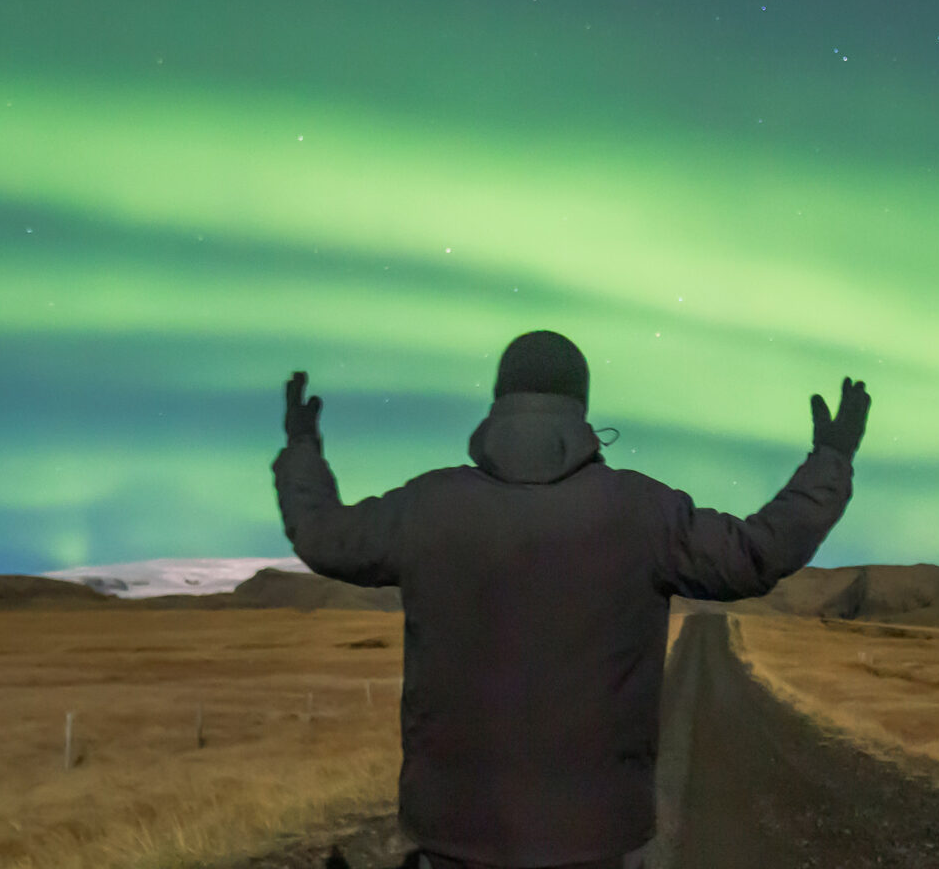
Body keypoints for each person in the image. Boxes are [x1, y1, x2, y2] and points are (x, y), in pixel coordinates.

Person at [272, 330, 869, 869]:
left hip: (455, 832)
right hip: (596, 838)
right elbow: (755, 553)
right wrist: (830, 462)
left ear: (498, 402)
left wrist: (302, 447)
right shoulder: (642, 512)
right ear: (580, 407)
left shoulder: (427, 506)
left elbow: (326, 538)